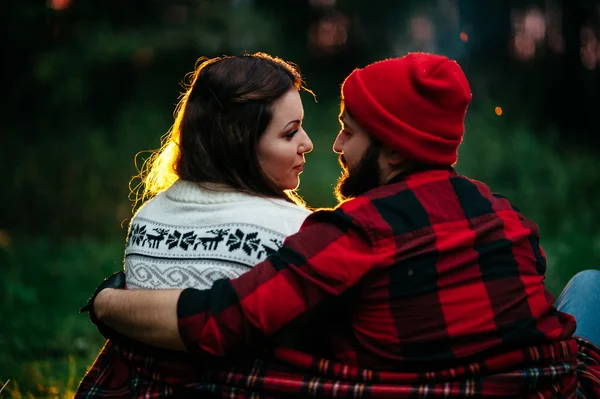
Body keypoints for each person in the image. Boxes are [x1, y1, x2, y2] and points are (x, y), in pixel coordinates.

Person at [83, 53, 600, 398]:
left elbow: (217, 319)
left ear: (393, 148)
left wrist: (109, 299)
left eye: (347, 132)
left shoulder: (351, 234)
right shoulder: (504, 215)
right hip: (548, 383)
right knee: (591, 287)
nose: (332, 147)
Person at [74, 52, 315, 397]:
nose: (307, 143)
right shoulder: (294, 230)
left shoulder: (147, 218)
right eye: (290, 133)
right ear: (239, 142)